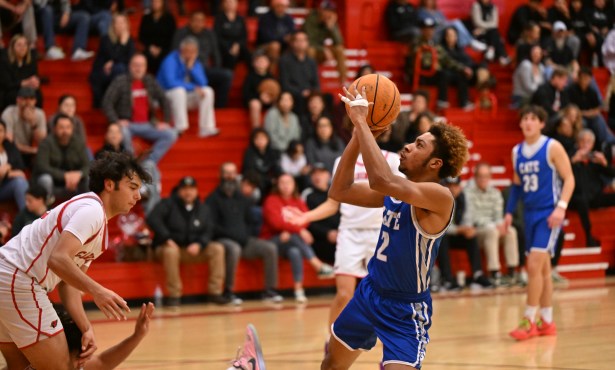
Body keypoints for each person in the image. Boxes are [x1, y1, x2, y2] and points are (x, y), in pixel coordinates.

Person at [320, 85, 468, 369]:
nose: (408, 146)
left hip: (405, 309)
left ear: (435, 163)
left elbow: (382, 181)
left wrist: (363, 121)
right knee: (331, 365)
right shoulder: (397, 192)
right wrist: (357, 134)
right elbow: (340, 190)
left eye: (419, 146)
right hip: (369, 293)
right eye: (414, 141)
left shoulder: (440, 197)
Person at [0, 151, 150, 370]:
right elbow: (58, 259)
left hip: (8, 278)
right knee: (60, 366)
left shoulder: (97, 225)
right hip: (19, 278)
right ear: (109, 185)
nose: (138, 196)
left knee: (19, 366)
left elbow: (67, 283)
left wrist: (86, 327)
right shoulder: (92, 211)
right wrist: (98, 291)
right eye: (133, 187)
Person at [286, 148, 404, 338]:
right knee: (344, 295)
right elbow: (333, 203)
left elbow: (402, 196)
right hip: (350, 233)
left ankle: (389, 354)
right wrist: (306, 217)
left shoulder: (391, 159)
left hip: (380, 233)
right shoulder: (342, 160)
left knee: (386, 298)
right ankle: (331, 344)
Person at [505, 105, 575, 341]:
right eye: (525, 118)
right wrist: (508, 213)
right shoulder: (517, 151)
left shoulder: (552, 146)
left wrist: (561, 208)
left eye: (533, 118)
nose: (528, 122)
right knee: (542, 271)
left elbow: (569, 179)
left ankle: (528, 320)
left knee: (533, 267)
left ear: (542, 124)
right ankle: (547, 321)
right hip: (529, 214)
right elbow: (516, 186)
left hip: (548, 214)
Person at [206, 162, 283, 304]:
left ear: (237, 175)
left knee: (269, 248)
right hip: (223, 240)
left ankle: (269, 290)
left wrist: (246, 235)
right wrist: (233, 235)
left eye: (232, 173)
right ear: (220, 175)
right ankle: (229, 292)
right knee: (233, 248)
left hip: (244, 240)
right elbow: (211, 226)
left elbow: (250, 221)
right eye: (226, 173)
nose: (229, 176)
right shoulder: (212, 199)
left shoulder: (243, 198)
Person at [146, 176, 228, 307]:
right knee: (170, 252)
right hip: (169, 248)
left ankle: (215, 292)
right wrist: (167, 238)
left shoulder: (203, 208)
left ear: (196, 191)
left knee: (217, 248)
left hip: (193, 250)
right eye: (184, 189)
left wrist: (200, 243)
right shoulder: (167, 203)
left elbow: (209, 230)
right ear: (179, 191)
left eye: (191, 189)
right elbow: (152, 219)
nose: (188, 192)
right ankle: (174, 295)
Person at [261, 173, 334, 303]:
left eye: (288, 182)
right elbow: (276, 223)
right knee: (295, 236)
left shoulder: (297, 200)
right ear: (277, 185)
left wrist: (292, 230)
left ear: (294, 185)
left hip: (290, 241)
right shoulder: (271, 200)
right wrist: (299, 230)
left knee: (294, 251)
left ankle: (298, 290)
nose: (285, 186)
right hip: (273, 241)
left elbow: (306, 219)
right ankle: (317, 265)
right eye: (282, 183)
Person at [102, 53, 177, 165]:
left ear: (145, 67)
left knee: (171, 134)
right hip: (128, 124)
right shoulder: (120, 81)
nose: (138, 68)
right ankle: (133, 163)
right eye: (136, 65)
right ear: (130, 66)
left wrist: (166, 121)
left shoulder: (150, 80)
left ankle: (148, 162)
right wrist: (116, 121)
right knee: (123, 132)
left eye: (141, 65)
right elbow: (107, 102)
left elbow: (164, 100)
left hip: (149, 124)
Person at [466, 162, 520, 285]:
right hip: (477, 231)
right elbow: (473, 218)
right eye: (480, 176)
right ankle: (494, 273)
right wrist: (493, 225)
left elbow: (498, 215)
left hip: (492, 228)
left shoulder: (495, 193)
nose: (483, 179)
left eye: (486, 176)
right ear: (475, 177)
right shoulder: (468, 193)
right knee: (492, 231)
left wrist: (501, 225)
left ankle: (512, 272)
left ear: (490, 177)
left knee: (510, 230)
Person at [438, 177, 493, 291]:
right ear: (444, 186)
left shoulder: (465, 197)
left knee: (471, 237)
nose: (453, 189)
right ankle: (447, 278)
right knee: (441, 238)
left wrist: (468, 229)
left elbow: (469, 218)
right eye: (449, 186)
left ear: (460, 187)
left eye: (455, 186)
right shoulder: (439, 199)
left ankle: (477, 275)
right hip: (442, 235)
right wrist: (459, 229)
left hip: (457, 234)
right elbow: (441, 226)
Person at [406, 17, 474, 110]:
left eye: (431, 29)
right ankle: (442, 101)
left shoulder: (435, 44)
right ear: (422, 30)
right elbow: (422, 62)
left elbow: (447, 59)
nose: (429, 31)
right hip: (422, 74)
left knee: (460, 74)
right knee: (444, 73)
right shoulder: (416, 42)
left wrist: (462, 68)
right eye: (426, 29)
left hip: (435, 73)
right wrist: (436, 63)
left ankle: (464, 102)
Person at [157, 36, 218, 137]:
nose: (189, 53)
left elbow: (203, 82)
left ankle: (206, 128)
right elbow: (170, 82)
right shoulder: (170, 60)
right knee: (179, 91)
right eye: (187, 50)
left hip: (185, 98)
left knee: (208, 91)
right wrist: (192, 87)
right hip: (167, 96)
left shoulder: (194, 61)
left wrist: (192, 68)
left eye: (193, 51)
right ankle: (180, 127)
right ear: (181, 50)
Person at [172, 11, 233, 109]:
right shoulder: (181, 33)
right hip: (184, 70)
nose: (198, 23)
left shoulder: (209, 34)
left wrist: (217, 67)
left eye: (201, 21)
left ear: (205, 22)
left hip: (204, 69)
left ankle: (220, 108)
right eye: (195, 20)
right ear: (189, 21)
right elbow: (174, 53)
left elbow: (216, 53)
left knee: (227, 75)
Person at [568, 129, 615, 247]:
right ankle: (588, 236)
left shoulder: (595, 160)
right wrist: (573, 161)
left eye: (588, 142)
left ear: (593, 145)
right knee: (581, 200)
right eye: (582, 141)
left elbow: (611, 174)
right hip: (574, 199)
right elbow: (558, 174)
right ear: (578, 143)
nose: (585, 144)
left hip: (594, 197)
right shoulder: (570, 156)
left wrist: (605, 163)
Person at [34, 113, 90, 199]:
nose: (65, 131)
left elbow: (88, 165)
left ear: (72, 129)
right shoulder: (46, 143)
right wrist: (64, 175)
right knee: (46, 179)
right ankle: (46, 210)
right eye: (61, 127)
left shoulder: (78, 142)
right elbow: (42, 166)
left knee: (87, 179)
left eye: (68, 127)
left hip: (74, 183)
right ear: (54, 129)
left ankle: (87, 208)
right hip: (53, 182)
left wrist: (79, 174)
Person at [89, 13, 136, 108]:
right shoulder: (106, 39)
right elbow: (111, 55)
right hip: (103, 73)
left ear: (127, 25)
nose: (120, 26)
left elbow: (130, 60)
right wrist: (122, 44)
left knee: (121, 68)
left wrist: (114, 62)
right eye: (117, 23)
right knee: (120, 68)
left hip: (122, 73)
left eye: (122, 23)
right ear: (113, 25)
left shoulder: (130, 41)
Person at [301, 164, 339, 264]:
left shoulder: (338, 193)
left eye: (321, 173)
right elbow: (307, 221)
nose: (317, 176)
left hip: (341, 235)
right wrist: (327, 233)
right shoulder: (308, 195)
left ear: (329, 175)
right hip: (320, 239)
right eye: (314, 174)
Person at [304, 0, 347, 84]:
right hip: (309, 49)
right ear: (320, 10)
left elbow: (339, 41)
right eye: (326, 10)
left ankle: (343, 81)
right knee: (310, 50)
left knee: (339, 49)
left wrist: (331, 27)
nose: (328, 13)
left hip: (321, 51)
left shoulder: (330, 21)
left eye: (331, 11)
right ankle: (310, 80)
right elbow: (310, 41)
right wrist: (324, 49)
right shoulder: (311, 19)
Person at [1, 87, 47, 165]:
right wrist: (31, 150)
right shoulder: (9, 113)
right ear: (18, 100)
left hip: (30, 152)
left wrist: (33, 124)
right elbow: (8, 142)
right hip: (13, 152)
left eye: (31, 99)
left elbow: (43, 141)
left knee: (43, 157)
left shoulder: (39, 114)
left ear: (35, 101)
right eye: (25, 98)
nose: (28, 102)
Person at [279, 31, 320, 115]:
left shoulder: (311, 62)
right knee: (299, 99)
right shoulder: (285, 60)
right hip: (294, 94)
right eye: (298, 40)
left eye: (303, 40)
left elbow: (316, 83)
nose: (301, 43)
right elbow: (285, 84)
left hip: (309, 94)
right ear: (293, 43)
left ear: (307, 43)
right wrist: (300, 92)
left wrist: (312, 92)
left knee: (327, 98)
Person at [1, 34, 43, 110]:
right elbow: (6, 84)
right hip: (11, 90)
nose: (22, 48)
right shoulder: (5, 61)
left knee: (37, 94)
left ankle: (34, 116)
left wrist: (35, 82)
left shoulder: (31, 61)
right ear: (12, 47)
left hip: (27, 89)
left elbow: (34, 76)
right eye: (19, 45)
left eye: (25, 45)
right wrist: (24, 83)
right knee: (11, 95)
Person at [138, 0, 177, 74]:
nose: (155, 4)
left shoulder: (169, 18)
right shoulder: (146, 18)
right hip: (149, 49)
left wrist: (161, 49)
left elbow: (172, 37)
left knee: (166, 59)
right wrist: (150, 47)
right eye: (153, 2)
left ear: (163, 3)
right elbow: (141, 36)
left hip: (165, 49)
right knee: (143, 58)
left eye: (158, 2)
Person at [256, 0, 295, 73]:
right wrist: (283, 39)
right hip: (264, 46)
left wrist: (291, 39)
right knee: (275, 46)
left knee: (298, 45)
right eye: (279, 6)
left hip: (284, 46)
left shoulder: (289, 19)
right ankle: (271, 74)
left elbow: (292, 34)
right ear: (274, 7)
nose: (281, 9)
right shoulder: (265, 18)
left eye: (283, 6)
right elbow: (265, 37)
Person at [242, 128, 282, 198]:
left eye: (262, 138)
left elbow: (277, 168)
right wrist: (269, 180)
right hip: (255, 182)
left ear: (267, 139)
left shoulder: (272, 152)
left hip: (270, 181)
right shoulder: (249, 153)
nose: (260, 141)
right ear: (253, 140)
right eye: (257, 138)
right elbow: (249, 171)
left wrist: (279, 178)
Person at [243, 53, 278, 128]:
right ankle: (256, 129)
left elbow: (276, 91)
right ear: (254, 63)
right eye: (259, 61)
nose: (261, 63)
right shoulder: (250, 77)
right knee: (255, 104)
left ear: (268, 64)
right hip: (256, 100)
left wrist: (270, 98)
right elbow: (246, 93)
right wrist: (260, 97)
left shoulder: (271, 77)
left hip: (270, 101)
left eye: (264, 61)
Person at [0, 119, 28, 211]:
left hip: (5, 187)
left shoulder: (9, 146)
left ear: (5, 133)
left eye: (0, 131)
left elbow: (20, 165)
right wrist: (9, 174)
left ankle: (27, 217)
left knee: (20, 182)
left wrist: (9, 167)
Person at [214, 0, 250, 70]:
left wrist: (237, 45)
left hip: (238, 46)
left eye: (232, 2)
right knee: (231, 56)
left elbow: (244, 36)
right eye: (227, 2)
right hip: (224, 48)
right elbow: (217, 36)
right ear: (223, 4)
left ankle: (253, 78)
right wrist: (229, 47)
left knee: (249, 55)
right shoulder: (219, 19)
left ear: (237, 4)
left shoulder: (241, 19)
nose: (230, 4)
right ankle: (228, 77)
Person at [471, 0, 510, 64]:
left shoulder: (493, 7)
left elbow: (495, 23)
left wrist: (485, 28)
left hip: (487, 31)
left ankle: (491, 49)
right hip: (479, 33)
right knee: (495, 34)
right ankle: (502, 56)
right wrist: (488, 27)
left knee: (494, 32)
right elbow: (477, 22)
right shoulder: (476, 6)